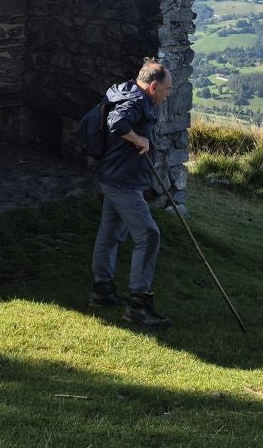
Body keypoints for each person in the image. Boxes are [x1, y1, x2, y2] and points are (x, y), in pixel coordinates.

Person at [89, 57, 173, 327]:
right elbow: (117, 122)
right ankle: (139, 304)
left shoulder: (128, 91)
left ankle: (102, 291)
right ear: (153, 87)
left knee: (110, 232)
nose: (168, 94)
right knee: (149, 234)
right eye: (167, 89)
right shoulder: (136, 102)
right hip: (123, 182)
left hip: (114, 177)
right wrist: (140, 140)